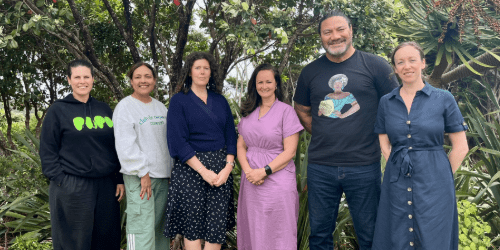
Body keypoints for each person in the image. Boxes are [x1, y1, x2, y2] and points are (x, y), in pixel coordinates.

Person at [293, 10, 400, 250]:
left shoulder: (375, 65)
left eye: (340, 29)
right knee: (319, 236)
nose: (335, 36)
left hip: (364, 165)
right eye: (327, 32)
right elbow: (301, 109)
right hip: (321, 166)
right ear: (321, 37)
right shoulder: (310, 71)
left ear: (351, 31)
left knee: (370, 234)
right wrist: (322, 129)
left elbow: (395, 105)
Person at [372, 41, 469, 249]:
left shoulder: (444, 99)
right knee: (397, 235)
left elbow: (461, 146)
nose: (407, 66)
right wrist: (399, 167)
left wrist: (440, 175)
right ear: (395, 68)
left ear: (423, 63)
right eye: (400, 62)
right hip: (397, 183)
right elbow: (384, 142)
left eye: (412, 60)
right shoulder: (386, 102)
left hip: (436, 184)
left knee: (433, 237)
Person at [40, 59, 124, 250]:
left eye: (86, 77)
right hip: (73, 185)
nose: (82, 81)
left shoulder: (104, 109)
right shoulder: (58, 110)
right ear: (69, 80)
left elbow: (115, 146)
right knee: (74, 241)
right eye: (77, 77)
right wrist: (61, 180)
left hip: (105, 186)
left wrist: (118, 178)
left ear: (93, 79)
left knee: (106, 239)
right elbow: (47, 149)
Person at [164, 52, 237, 250]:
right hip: (191, 170)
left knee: (216, 226)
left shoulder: (220, 101)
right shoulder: (179, 101)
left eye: (206, 68)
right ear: (189, 71)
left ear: (211, 72)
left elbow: (231, 136)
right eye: (197, 68)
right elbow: (177, 142)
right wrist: (203, 171)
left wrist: (227, 167)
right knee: (192, 227)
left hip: (221, 172)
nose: (202, 72)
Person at [236, 64, 304, 250]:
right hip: (250, 180)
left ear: (276, 85)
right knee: (253, 228)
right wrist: (249, 171)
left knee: (278, 229)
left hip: (277, 179)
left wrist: (264, 171)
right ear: (254, 85)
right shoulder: (249, 112)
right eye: (260, 82)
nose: (264, 86)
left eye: (268, 81)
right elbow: (241, 145)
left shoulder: (286, 112)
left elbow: (290, 151)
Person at [113, 62, 172, 250]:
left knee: (159, 231)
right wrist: (143, 172)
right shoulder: (125, 107)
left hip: (162, 178)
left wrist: (170, 173)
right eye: (138, 77)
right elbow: (125, 145)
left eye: (147, 76)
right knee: (140, 231)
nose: (143, 81)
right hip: (140, 178)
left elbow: (167, 143)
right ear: (131, 81)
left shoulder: (161, 108)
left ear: (154, 81)